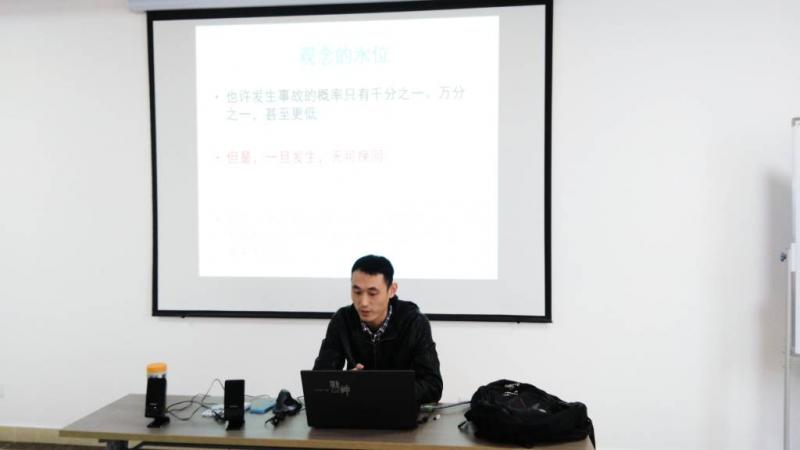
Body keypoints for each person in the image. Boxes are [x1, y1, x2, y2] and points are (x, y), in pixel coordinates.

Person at [313, 255, 443, 405]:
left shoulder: (414, 322)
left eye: (372, 293)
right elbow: (318, 382)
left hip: (399, 408)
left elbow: (433, 386)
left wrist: (379, 390)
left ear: (391, 290)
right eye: (357, 292)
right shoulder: (342, 320)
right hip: (357, 409)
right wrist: (345, 382)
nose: (363, 302)